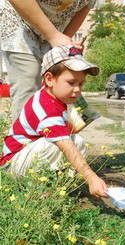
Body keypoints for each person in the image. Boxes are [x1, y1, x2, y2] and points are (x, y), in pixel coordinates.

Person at [0, 45, 108, 198]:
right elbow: (65, 145)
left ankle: (59, 186)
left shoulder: (51, 96)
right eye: (71, 83)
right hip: (13, 165)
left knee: (76, 140)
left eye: (81, 83)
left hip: (27, 158)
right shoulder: (46, 109)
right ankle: (38, 193)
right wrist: (91, 177)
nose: (77, 89)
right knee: (58, 145)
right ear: (49, 79)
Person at [0, 0, 97, 121]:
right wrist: (53, 36)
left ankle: (52, 130)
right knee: (29, 76)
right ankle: (25, 137)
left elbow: (84, 6)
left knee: (58, 81)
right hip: (19, 20)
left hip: (56, 29)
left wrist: (63, 43)